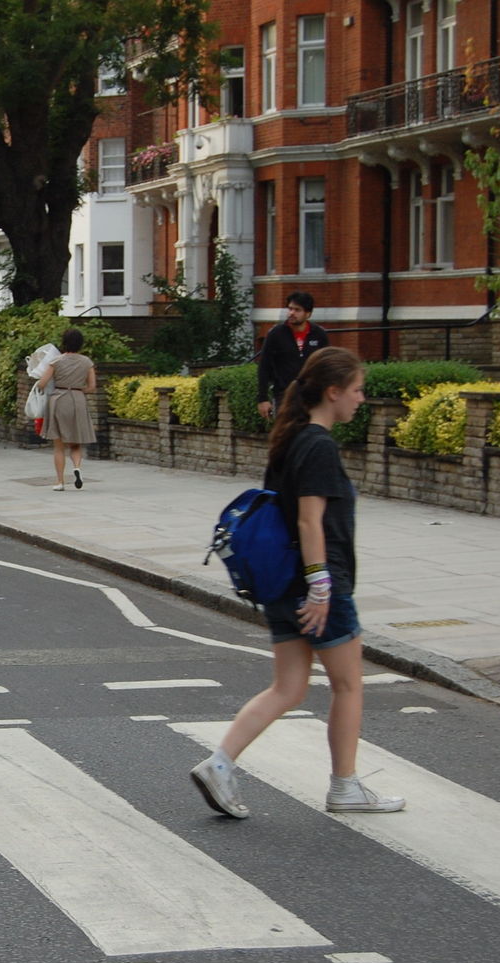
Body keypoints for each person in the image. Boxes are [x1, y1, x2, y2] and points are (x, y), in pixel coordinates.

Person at [191, 347, 405, 820]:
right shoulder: (318, 445)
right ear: (332, 392)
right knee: (348, 685)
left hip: (282, 586)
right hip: (316, 587)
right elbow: (310, 522)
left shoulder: (289, 440)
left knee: (288, 687)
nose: (361, 398)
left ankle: (219, 765)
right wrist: (322, 588)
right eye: (356, 390)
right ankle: (345, 786)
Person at [39, 328, 97, 491]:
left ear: (64, 342)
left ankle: (60, 482)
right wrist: (79, 390)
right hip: (78, 400)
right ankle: (77, 467)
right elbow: (92, 387)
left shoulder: (56, 361)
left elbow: (42, 383)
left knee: (59, 445)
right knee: (75, 443)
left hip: (59, 399)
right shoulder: (87, 362)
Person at [256, 291, 329, 420]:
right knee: (286, 435)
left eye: (297, 310)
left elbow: (326, 366)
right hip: (284, 395)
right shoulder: (276, 334)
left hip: (311, 396)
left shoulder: (319, 334)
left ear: (308, 313)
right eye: (290, 309)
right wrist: (262, 399)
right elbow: (264, 366)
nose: (292, 313)